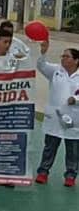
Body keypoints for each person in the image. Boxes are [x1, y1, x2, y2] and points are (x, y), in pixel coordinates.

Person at [36, 40, 79, 187]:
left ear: (76, 60)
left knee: (72, 149)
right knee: (50, 146)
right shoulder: (56, 71)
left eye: (66, 56)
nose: (63, 58)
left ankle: (71, 175)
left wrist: (76, 99)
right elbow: (41, 66)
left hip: (73, 119)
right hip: (54, 117)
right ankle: (43, 172)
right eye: (62, 56)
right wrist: (43, 52)